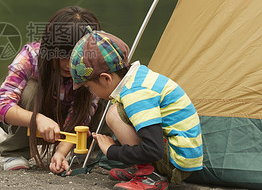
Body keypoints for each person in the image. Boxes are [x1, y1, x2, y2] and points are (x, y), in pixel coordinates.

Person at [69, 27, 203, 190]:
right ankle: (143, 169)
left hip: (177, 162)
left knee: (114, 113)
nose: (92, 93)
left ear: (106, 79)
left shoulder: (136, 94)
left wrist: (111, 151)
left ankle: (151, 176)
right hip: (177, 153)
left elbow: (153, 150)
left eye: (89, 87)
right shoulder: (137, 78)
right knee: (117, 109)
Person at [0, 6, 107, 174]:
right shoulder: (31, 56)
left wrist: (61, 152)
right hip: (35, 119)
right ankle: (15, 152)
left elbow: (83, 115)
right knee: (31, 89)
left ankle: (90, 154)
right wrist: (37, 119)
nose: (69, 65)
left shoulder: (93, 67)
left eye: (76, 58)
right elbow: (2, 107)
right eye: (63, 55)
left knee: (106, 92)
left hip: (72, 124)